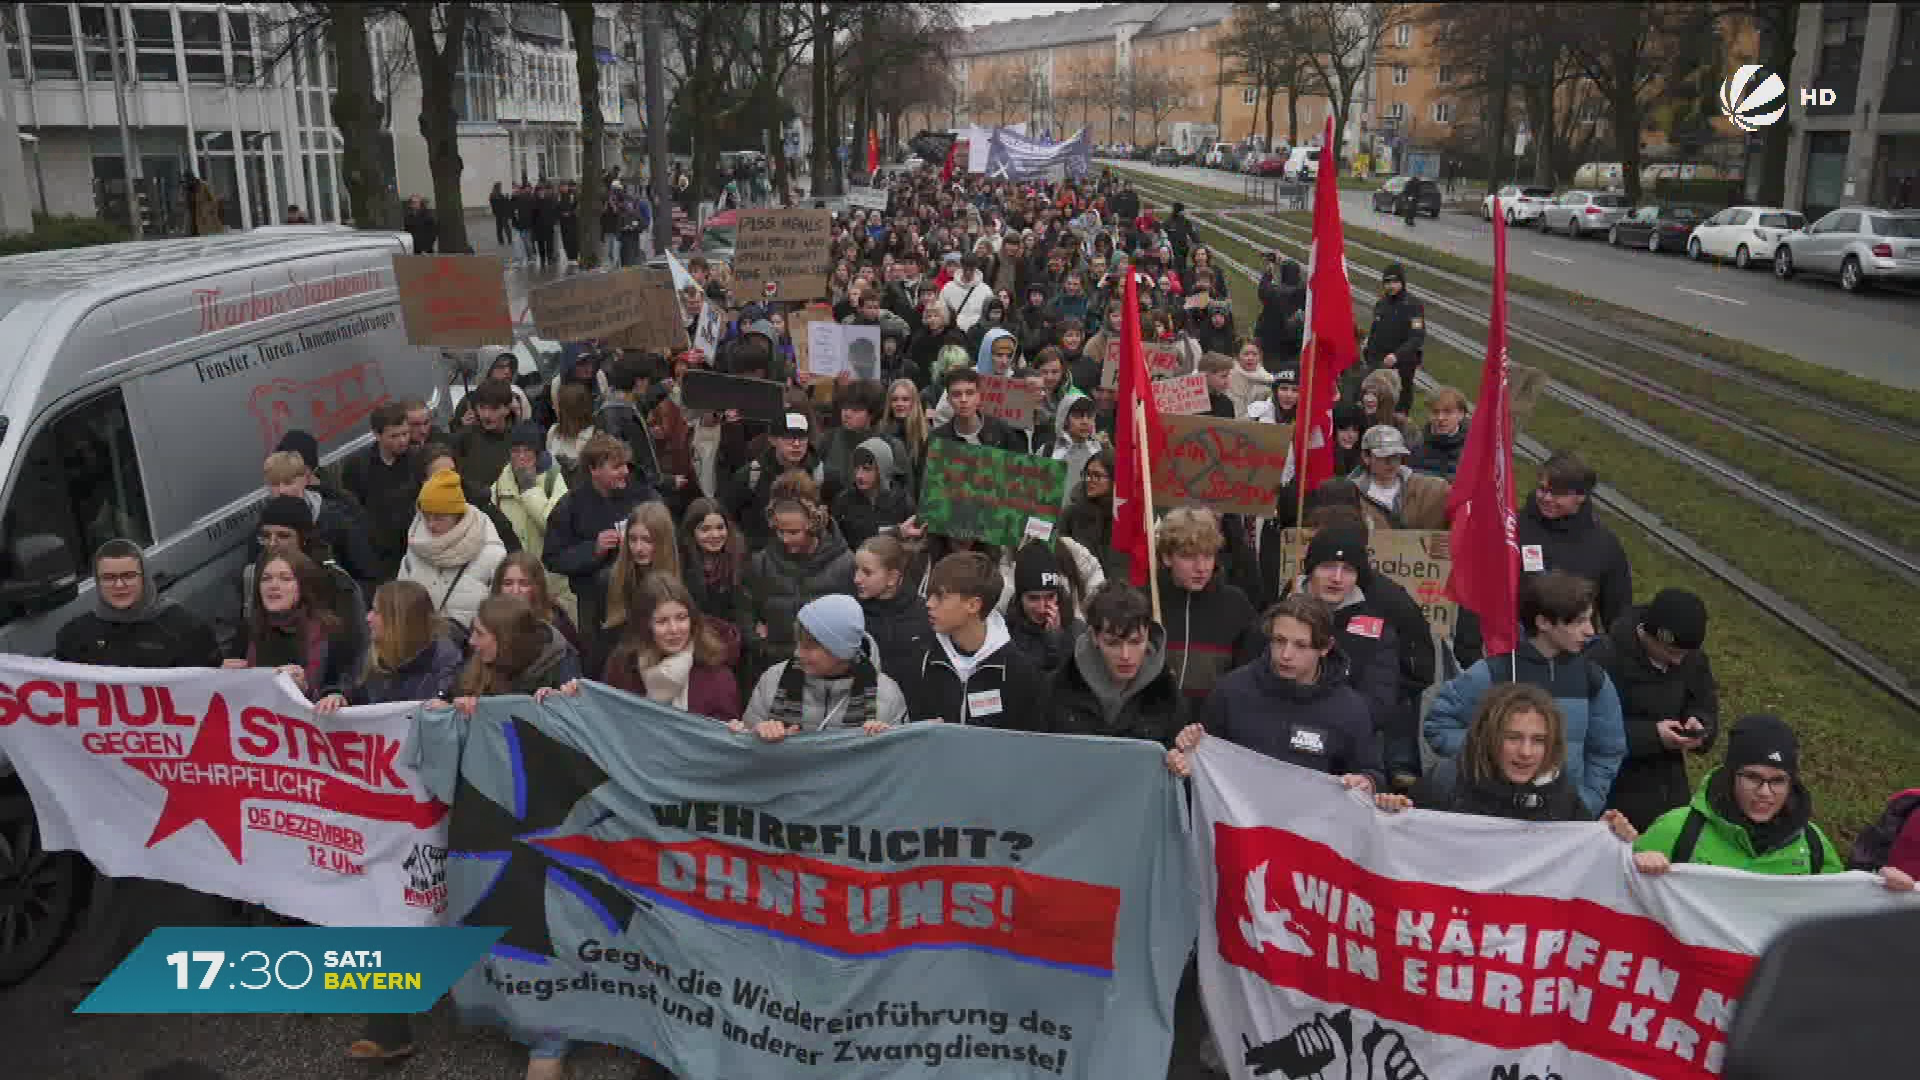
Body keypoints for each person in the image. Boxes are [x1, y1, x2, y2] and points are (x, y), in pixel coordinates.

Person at [1425, 571, 1627, 817]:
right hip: (1489, 811)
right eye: (1578, 622)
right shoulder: (1492, 672)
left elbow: (1608, 749)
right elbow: (1439, 726)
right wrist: (1486, 753)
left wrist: (1586, 802)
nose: (1590, 631)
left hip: (1561, 818)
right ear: (1543, 623)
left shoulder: (1593, 679)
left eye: (1590, 620)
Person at [1633, 715, 1914, 890]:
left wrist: (1881, 889)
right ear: (1731, 776)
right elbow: (1622, 892)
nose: (1765, 793)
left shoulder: (1814, 846)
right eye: (1753, 777)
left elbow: (1839, 915)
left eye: (1778, 781)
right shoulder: (1678, 828)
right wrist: (1637, 863)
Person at [1166, 596, 1383, 793]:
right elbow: (1200, 764)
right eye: (1279, 641)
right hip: (1239, 819)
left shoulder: (1349, 709)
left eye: (1300, 645)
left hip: (1310, 821)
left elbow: (1371, 774)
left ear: (1325, 647)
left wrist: (1366, 783)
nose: (1286, 655)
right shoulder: (1231, 691)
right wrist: (1185, 755)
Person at [1377, 685, 1634, 833]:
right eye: (1513, 737)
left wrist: (1608, 838)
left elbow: (1586, 860)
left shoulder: (1563, 795)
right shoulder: (1444, 784)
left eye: (1538, 740)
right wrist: (1391, 813)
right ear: (1488, 737)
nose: (1526, 752)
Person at [1586, 588, 1720, 832]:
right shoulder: (1604, 658)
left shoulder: (1693, 660)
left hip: (1670, 797)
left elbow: (1704, 705)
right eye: (1670, 652)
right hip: (1613, 797)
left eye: (1684, 654)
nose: (1678, 661)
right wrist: (1653, 735)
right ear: (1648, 635)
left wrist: (1700, 725)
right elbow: (1587, 729)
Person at [1284, 526, 1410, 785]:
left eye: (1348, 570)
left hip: (1342, 760)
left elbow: (1379, 702)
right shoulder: (1279, 615)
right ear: (1311, 569)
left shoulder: (1376, 631)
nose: (1337, 578)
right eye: (1328, 566)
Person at [900, 551, 1048, 729]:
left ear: (973, 605)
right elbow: (909, 731)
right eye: (930, 594)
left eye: (940, 596)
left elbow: (1029, 740)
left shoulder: (1019, 671)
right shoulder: (922, 657)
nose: (929, 603)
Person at [543, 434, 657, 643]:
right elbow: (552, 557)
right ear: (593, 470)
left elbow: (666, 533)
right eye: (616, 467)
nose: (625, 471)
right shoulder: (571, 506)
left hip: (644, 594)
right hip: (594, 607)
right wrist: (593, 549)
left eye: (625, 464)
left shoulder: (642, 494)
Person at [742, 594, 908, 733]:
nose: (798, 653)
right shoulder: (772, 680)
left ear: (840, 651)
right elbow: (746, 748)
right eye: (798, 643)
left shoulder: (887, 695)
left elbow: (900, 758)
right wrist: (756, 734)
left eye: (809, 647)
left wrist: (884, 742)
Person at [1047, 582, 1186, 744]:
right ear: (1094, 637)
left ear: (1148, 635)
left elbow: (1178, 752)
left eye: (1135, 642)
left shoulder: (1167, 694)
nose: (1125, 655)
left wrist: (1177, 754)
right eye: (1113, 643)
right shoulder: (1059, 686)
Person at [595, 572, 743, 722]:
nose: (674, 629)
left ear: (692, 620)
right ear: (645, 625)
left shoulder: (717, 676)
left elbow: (723, 732)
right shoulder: (622, 668)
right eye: (662, 621)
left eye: (681, 618)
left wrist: (734, 729)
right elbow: (605, 719)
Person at [1155, 509, 1262, 705]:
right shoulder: (1147, 600)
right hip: (1156, 717)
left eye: (1208, 556)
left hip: (1213, 718)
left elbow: (1250, 673)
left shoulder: (1235, 604)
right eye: (1189, 556)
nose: (1201, 567)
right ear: (1167, 557)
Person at [1520, 450, 1634, 632]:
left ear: (1581, 496)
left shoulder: (1605, 546)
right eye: (1542, 489)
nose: (1546, 498)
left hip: (1575, 645)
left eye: (1557, 493)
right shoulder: (1514, 528)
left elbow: (1618, 614)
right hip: (1516, 642)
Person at [225, 551, 357, 702]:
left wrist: (307, 689)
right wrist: (223, 677)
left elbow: (343, 688)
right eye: (266, 579)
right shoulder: (249, 627)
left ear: (303, 586)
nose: (273, 585)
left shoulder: (331, 631)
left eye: (285, 579)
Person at [743, 493, 856, 667]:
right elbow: (746, 607)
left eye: (793, 532)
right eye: (780, 531)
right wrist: (757, 642)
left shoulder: (845, 562)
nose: (785, 539)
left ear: (813, 526)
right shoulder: (761, 562)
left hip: (827, 662)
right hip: (775, 661)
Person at [398, 471, 508, 638]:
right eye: (426, 516)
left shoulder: (491, 553)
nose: (431, 524)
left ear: (458, 516)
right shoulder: (415, 546)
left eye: (439, 517)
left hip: (473, 647)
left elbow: (503, 615)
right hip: (422, 644)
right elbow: (400, 601)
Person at [340, 402, 424, 583]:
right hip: (379, 556)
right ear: (377, 435)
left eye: (405, 433)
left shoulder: (418, 459)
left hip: (416, 547)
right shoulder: (358, 466)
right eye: (394, 436)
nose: (403, 440)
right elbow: (353, 509)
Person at [852, 535, 930, 681]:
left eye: (867, 572)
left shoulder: (925, 613)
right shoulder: (852, 615)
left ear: (892, 578)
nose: (857, 579)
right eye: (856, 569)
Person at [1003, 541, 1085, 677]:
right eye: (1033, 598)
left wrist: (1057, 642)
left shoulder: (1078, 631)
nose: (1041, 608)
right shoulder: (1004, 632)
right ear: (1020, 597)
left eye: (1050, 596)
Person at [1351, 425, 1451, 531]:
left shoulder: (1430, 488)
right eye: (1384, 456)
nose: (1392, 463)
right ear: (1366, 457)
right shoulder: (1351, 494)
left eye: (1396, 456)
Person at [492, 422, 568, 556]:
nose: (521, 456)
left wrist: (530, 489)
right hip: (513, 566)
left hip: (545, 567)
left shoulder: (553, 480)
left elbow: (557, 528)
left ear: (537, 453)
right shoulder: (499, 486)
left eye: (527, 450)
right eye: (516, 451)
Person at [1360, 263, 1425, 417]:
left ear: (1402, 282)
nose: (1391, 286)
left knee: (1397, 411)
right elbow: (1375, 331)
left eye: (1395, 282)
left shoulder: (1414, 306)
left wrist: (1397, 355)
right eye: (1387, 282)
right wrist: (1368, 350)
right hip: (1378, 365)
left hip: (1402, 368)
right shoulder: (1381, 304)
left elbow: (1417, 336)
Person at [678, 497, 749, 634]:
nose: (715, 535)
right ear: (691, 532)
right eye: (705, 529)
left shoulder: (740, 559)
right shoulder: (681, 564)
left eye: (720, 527)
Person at [493, 551, 583, 658]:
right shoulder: (487, 623)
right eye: (508, 583)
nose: (515, 591)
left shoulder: (556, 628)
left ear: (537, 587)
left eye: (524, 583)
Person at [829, 437, 914, 548]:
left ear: (882, 469)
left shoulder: (903, 501)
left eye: (867, 469)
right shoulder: (843, 501)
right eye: (856, 468)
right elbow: (843, 539)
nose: (859, 476)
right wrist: (895, 531)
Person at [928, 366, 1025, 453]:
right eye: (956, 394)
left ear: (979, 396)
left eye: (970, 393)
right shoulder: (938, 439)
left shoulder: (1001, 430)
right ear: (948, 399)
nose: (963, 400)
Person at [1408, 385, 1470, 481]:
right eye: (1435, 412)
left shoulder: (1471, 449)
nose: (1440, 418)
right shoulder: (1415, 444)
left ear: (1461, 414)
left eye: (1447, 412)